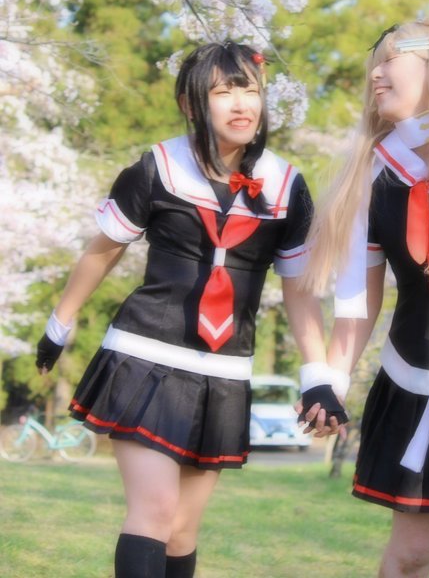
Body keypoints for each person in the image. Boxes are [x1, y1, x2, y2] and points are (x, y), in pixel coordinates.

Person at [36, 41, 346, 578]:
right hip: (144, 357)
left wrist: (317, 376)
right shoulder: (157, 167)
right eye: (223, 92)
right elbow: (103, 251)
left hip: (223, 371)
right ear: (190, 104)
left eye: (249, 89)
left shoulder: (287, 185)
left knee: (181, 530)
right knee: (155, 511)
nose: (241, 104)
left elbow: (299, 291)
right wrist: (58, 325)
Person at [302, 18, 429, 577]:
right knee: (412, 557)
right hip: (423, 381)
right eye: (375, 62)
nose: (375, 74)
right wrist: (329, 382)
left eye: (390, 59)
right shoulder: (375, 175)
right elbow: (356, 305)